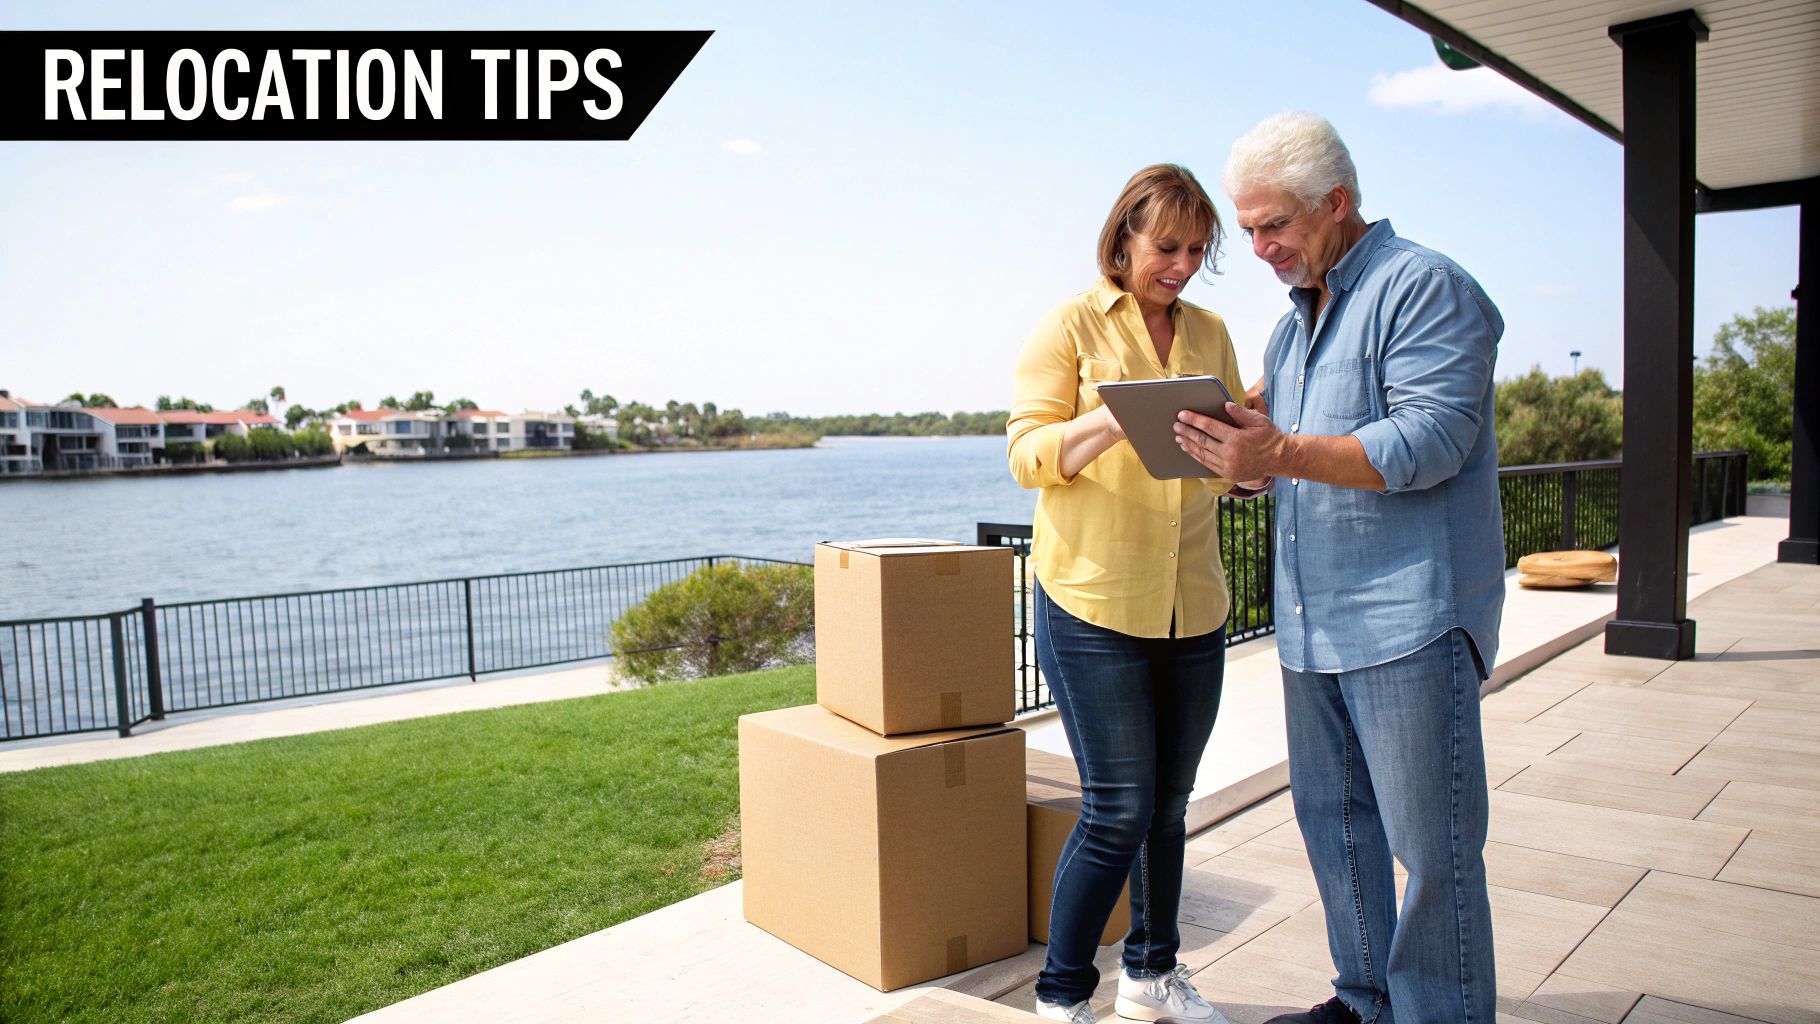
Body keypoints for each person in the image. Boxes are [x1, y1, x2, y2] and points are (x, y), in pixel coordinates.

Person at [1172, 112, 1504, 1024]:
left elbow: (1430, 439)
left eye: (1272, 226)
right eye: (1247, 230)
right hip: (1312, 624)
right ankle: (1365, 1002)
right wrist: (1236, 462)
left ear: (1337, 204)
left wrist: (1275, 453)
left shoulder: (1425, 288)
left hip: (1411, 617)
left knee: (1432, 851)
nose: (1258, 247)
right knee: (1338, 829)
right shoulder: (1289, 332)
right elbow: (1290, 456)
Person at [1008, 164, 1246, 1024]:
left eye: (1196, 250)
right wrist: (1117, 415)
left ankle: (1152, 976)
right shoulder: (1070, 325)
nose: (1181, 264)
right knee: (1117, 809)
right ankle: (1063, 996)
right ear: (1123, 241)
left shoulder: (1212, 332)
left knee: (1170, 808)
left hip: (1194, 602)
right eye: (1166, 247)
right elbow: (1027, 455)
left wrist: (1244, 466)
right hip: (1092, 601)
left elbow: (1224, 460)